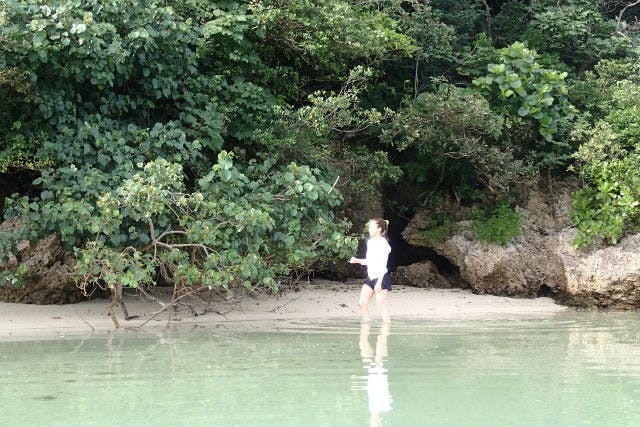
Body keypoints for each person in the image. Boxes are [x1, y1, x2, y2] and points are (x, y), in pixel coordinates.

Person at [349, 218, 391, 322]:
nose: (369, 229)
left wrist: (379, 283)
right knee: (362, 303)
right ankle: (366, 328)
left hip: (380, 276)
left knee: (381, 306)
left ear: (379, 229)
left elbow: (382, 264)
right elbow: (371, 261)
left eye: (372, 227)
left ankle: (385, 332)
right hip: (371, 276)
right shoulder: (371, 242)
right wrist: (357, 260)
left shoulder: (383, 243)